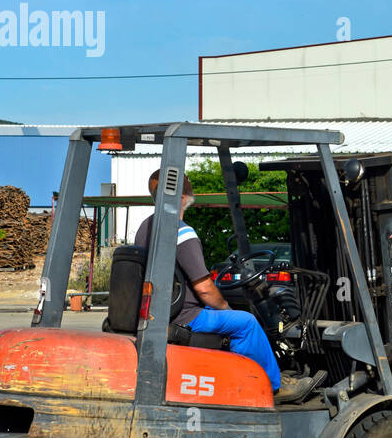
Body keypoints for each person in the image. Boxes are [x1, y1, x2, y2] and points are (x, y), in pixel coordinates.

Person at [134, 169, 317, 404]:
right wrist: (225, 307)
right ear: (183, 195)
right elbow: (203, 287)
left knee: (232, 318)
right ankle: (273, 387)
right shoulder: (181, 232)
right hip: (186, 316)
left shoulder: (146, 228)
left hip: (166, 311)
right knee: (247, 322)